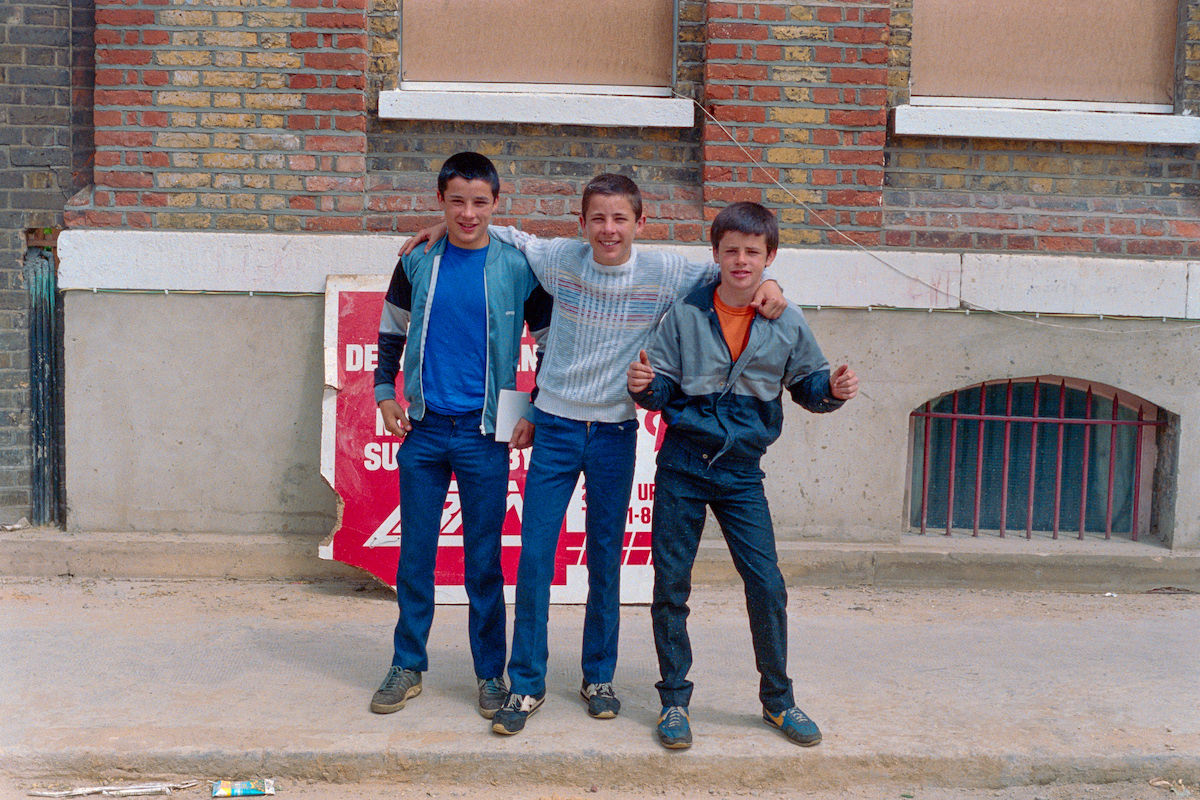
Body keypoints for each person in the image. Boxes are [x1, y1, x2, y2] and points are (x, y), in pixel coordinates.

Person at [403, 174, 788, 735]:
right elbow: (499, 232)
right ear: (581, 225)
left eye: (620, 219)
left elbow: (737, 269)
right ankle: (527, 683)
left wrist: (772, 285)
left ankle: (598, 676)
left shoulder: (666, 271)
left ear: (639, 223)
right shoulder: (559, 258)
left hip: (614, 432)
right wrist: (445, 225)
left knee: (604, 558)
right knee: (535, 556)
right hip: (555, 426)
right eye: (598, 219)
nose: (609, 230)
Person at [626, 201, 858, 750]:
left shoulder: (786, 319)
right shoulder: (685, 314)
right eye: (730, 250)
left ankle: (778, 701)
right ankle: (675, 703)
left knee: (767, 584)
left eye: (752, 252)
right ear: (716, 254)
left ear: (769, 257)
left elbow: (808, 385)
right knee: (671, 586)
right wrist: (643, 386)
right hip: (682, 465)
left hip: (741, 475)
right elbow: (660, 386)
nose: (740, 260)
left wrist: (833, 391)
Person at [370, 152, 551, 720]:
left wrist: (536, 407)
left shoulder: (518, 264)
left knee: (483, 563)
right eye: (456, 202)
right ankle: (407, 664)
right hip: (423, 431)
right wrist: (383, 392)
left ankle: (488, 674)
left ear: (496, 204)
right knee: (415, 556)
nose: (467, 213)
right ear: (440, 201)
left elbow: (549, 337)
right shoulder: (419, 259)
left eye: (479, 202)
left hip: (483, 436)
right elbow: (391, 329)